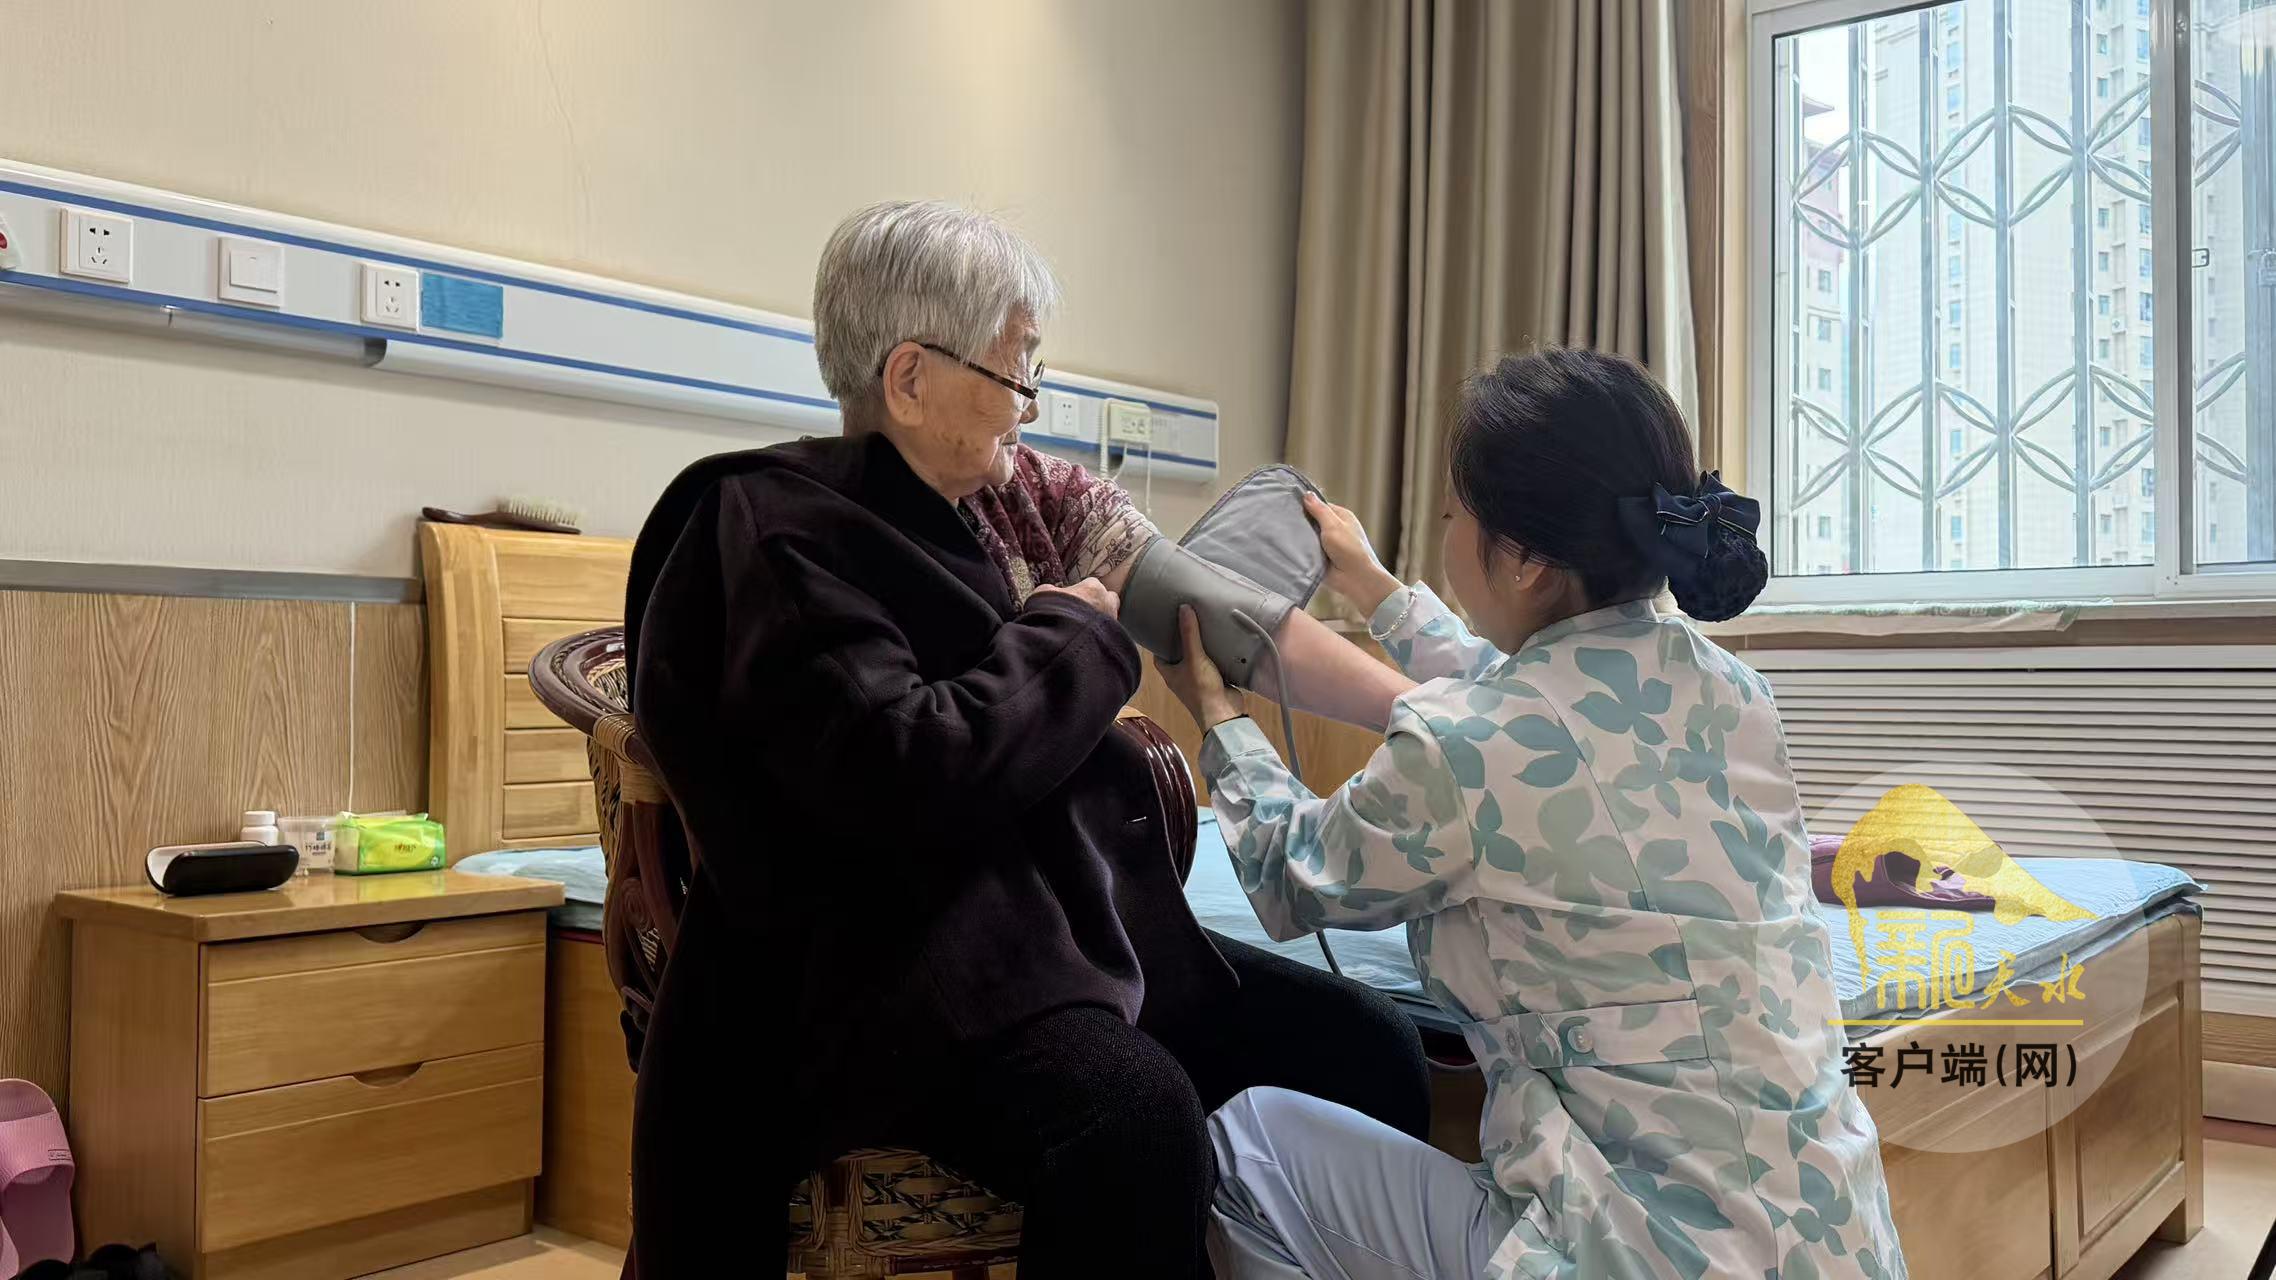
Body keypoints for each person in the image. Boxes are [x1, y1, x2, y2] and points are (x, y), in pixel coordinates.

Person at [622, 201, 1428, 1279]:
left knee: (1366, 1047)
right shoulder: (773, 535)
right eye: (1015, 373)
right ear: (909, 379)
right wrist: (1071, 634)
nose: (1031, 404)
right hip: (883, 972)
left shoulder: (998, 501)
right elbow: (913, 769)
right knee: (1131, 1118)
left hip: (1031, 934)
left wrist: (1426, 707)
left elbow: (1216, 617)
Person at [1156, 348, 1908, 1280]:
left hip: (1646, 1258)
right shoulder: (1734, 692)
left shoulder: (1467, 743)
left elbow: (1288, 872)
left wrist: (1219, 722)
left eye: (1452, 516)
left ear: (1522, 560)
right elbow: (1542, 705)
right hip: (1836, 1238)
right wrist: (1377, 592)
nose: (1447, 534)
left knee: (1247, 1146)